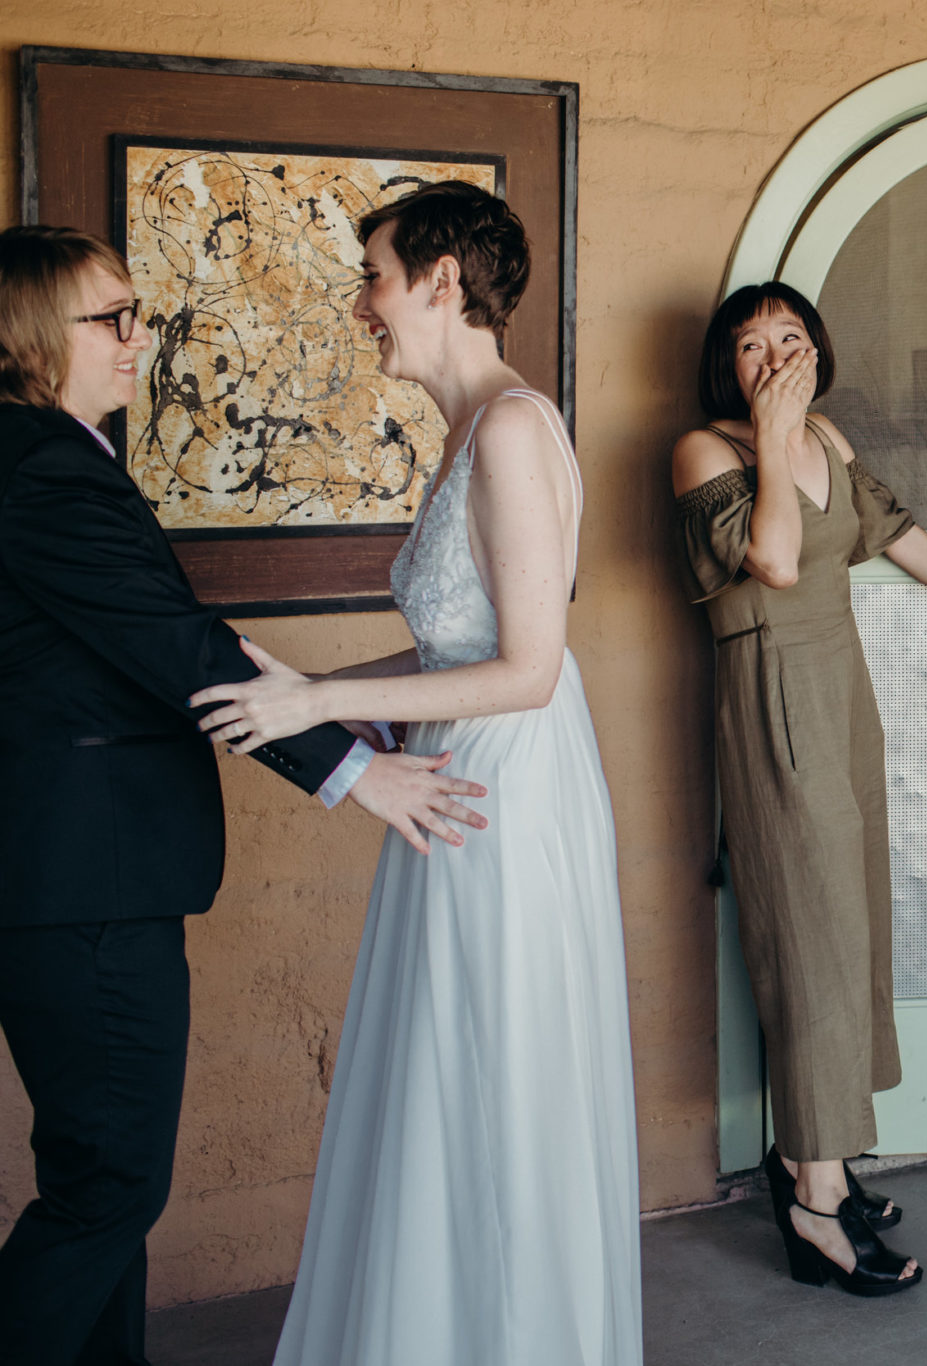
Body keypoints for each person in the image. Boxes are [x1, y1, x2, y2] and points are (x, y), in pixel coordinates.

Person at [0, 224, 486, 1366]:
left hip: (81, 873)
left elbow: (152, 642)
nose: (138, 338)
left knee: (101, 1176)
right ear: (30, 334)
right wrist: (356, 771)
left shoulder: (50, 455)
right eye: (111, 319)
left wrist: (325, 698)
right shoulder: (39, 467)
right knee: (110, 1184)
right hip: (83, 880)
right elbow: (170, 645)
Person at [189, 183, 643, 1360]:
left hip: (504, 786)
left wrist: (325, 702)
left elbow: (529, 669)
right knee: (443, 1073)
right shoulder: (473, 427)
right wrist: (314, 688)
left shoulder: (507, 426)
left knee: (490, 1073)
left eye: (374, 277)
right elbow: (456, 647)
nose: (359, 306)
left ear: (444, 280)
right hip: (461, 774)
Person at [672, 282, 927, 1296]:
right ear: (729, 366)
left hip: (840, 686)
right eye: (750, 346)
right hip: (770, 689)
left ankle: (812, 1155)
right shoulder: (708, 450)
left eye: (788, 338)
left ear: (817, 347)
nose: (772, 356)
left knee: (853, 927)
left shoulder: (827, 437)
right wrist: (767, 429)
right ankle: (814, 1201)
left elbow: (894, 532)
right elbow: (778, 563)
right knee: (812, 934)